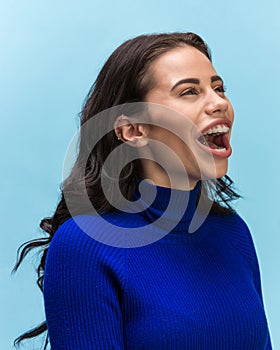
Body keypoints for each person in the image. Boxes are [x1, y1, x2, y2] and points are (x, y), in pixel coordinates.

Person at [14, 32, 272, 349]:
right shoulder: (86, 245)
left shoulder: (232, 233)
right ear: (133, 130)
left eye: (219, 89)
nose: (219, 102)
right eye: (190, 91)